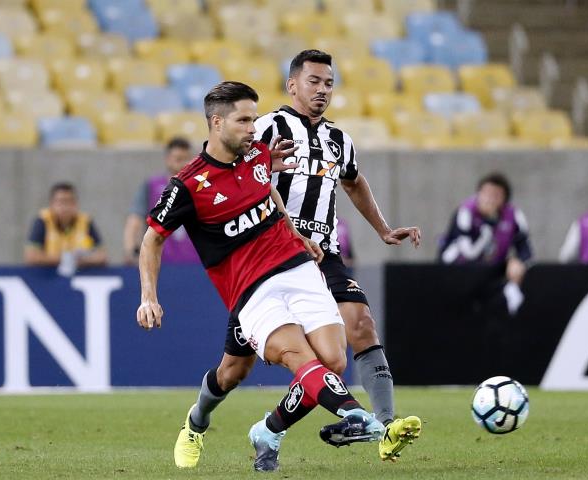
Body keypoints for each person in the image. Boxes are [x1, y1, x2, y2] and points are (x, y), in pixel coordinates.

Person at [172, 50, 423, 469]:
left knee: (356, 329)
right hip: (264, 258)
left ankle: (383, 427)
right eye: (314, 82)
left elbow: (354, 181)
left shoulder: (340, 140)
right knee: (233, 371)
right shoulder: (265, 127)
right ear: (293, 85)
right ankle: (199, 420)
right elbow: (222, 168)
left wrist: (382, 228)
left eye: (329, 83)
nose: (322, 90)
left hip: (321, 255)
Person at [137, 81, 385, 472]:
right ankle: (197, 422)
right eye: (244, 120)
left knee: (333, 362)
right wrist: (149, 296)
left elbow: (268, 192)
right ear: (217, 123)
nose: (254, 128)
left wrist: (296, 233)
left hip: (297, 267)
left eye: (254, 118)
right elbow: (152, 240)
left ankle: (268, 431)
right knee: (238, 371)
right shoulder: (188, 185)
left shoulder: (257, 156)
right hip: (251, 290)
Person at [122, 137, 196, 265]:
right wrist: (131, 250)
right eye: (178, 159)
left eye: (187, 159)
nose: (184, 164)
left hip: (196, 264)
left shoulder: (200, 187)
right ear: (168, 160)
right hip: (159, 264)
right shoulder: (152, 186)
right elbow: (134, 220)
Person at [24, 182, 107, 271]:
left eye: (69, 201)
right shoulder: (43, 221)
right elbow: (31, 256)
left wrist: (79, 260)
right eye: (61, 202)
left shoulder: (85, 222)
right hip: (48, 276)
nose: (65, 207)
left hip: (79, 274)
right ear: (52, 204)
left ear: (76, 204)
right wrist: (65, 258)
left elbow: (102, 255)